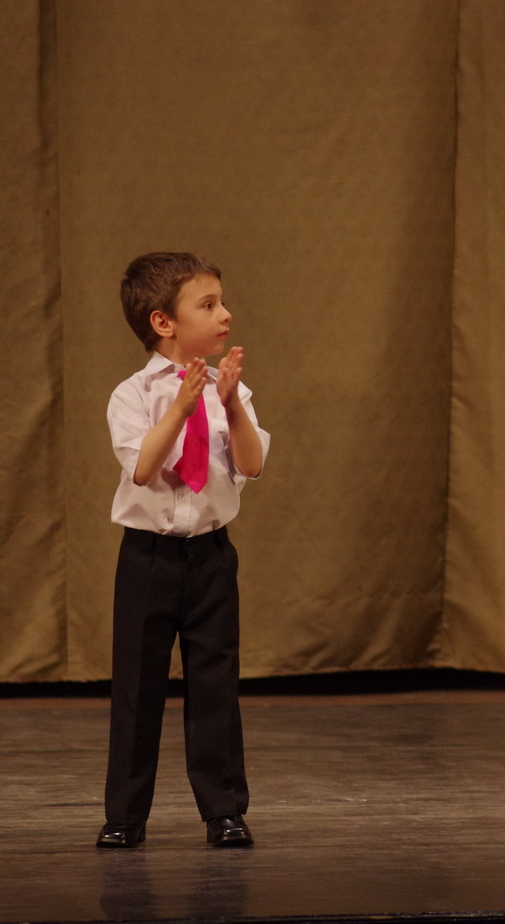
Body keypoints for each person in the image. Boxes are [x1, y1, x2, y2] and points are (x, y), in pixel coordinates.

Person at [96, 253, 269, 848]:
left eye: (222, 302)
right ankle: (125, 815)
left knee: (215, 683)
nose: (225, 314)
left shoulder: (231, 391)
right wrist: (181, 408)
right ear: (163, 322)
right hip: (147, 559)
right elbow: (143, 468)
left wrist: (231, 403)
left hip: (211, 558)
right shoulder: (132, 394)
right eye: (209, 304)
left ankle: (224, 810)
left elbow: (251, 463)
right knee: (137, 686)